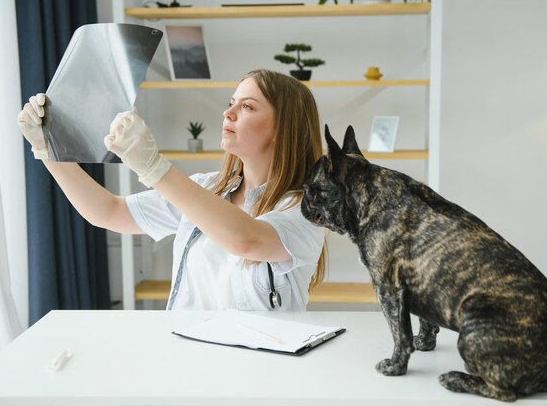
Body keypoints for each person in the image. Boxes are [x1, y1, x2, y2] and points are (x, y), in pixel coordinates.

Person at [18, 69, 326, 311]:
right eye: (231, 103)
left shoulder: (306, 209)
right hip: (190, 361)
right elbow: (109, 212)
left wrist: (154, 167)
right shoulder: (206, 189)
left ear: (282, 129)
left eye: (247, 107)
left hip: (261, 371)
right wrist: (48, 150)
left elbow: (246, 240)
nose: (228, 114)